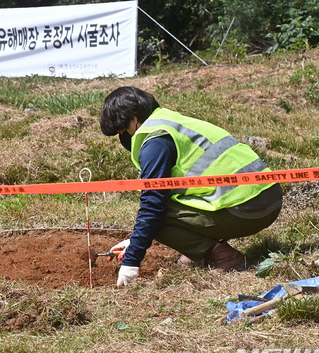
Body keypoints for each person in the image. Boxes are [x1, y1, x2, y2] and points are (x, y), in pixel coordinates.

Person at [99, 87, 283, 287]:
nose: (125, 138)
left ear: (134, 119)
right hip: (268, 197)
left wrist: (132, 261)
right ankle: (201, 253)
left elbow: (153, 206)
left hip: (248, 209)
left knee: (157, 214)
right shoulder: (174, 122)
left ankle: (225, 257)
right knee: (159, 208)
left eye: (123, 131)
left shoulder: (155, 141)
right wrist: (133, 241)